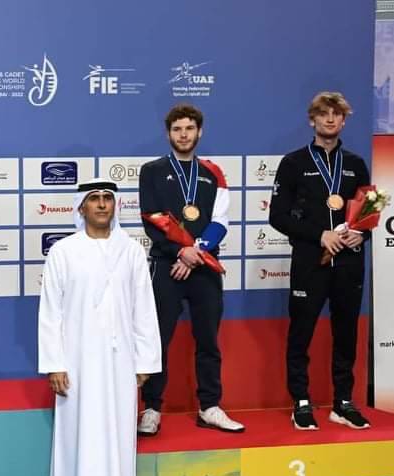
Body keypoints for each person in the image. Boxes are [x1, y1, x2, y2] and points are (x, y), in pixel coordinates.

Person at [39, 179, 161, 476]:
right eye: (94, 199)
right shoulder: (63, 251)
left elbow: (143, 309)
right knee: (78, 435)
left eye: (108, 198)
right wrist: (54, 364)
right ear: (82, 207)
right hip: (76, 362)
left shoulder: (131, 251)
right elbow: (51, 312)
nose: (102, 204)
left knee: (119, 437)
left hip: (121, 361)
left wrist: (145, 361)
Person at [138, 103, 245, 435]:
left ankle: (209, 406)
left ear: (200, 132)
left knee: (208, 341)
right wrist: (179, 252)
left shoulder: (214, 172)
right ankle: (151, 408)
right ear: (168, 133)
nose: (183, 135)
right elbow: (151, 218)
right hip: (166, 266)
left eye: (189, 128)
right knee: (158, 340)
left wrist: (195, 251)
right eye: (177, 129)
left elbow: (220, 221)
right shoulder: (152, 171)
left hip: (204, 266)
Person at [269, 92, 372, 430]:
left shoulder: (356, 164)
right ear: (312, 119)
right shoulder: (293, 163)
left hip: (349, 263)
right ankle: (300, 400)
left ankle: (343, 402)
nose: (330, 119)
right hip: (309, 262)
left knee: (346, 333)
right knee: (301, 332)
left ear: (344, 121)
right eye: (323, 114)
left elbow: (367, 213)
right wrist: (319, 235)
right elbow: (277, 216)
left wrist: (362, 235)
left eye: (336, 114)